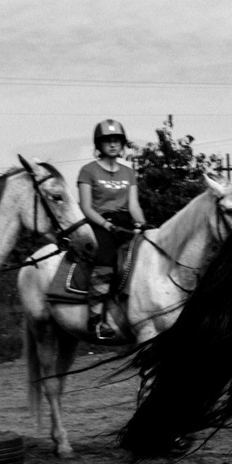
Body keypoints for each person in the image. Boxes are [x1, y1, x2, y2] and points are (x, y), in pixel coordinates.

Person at [77, 120, 146, 343]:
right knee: (105, 260)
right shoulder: (88, 171)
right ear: (99, 145)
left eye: (116, 140)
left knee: (145, 256)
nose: (113, 144)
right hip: (99, 223)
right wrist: (107, 226)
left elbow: (134, 205)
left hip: (125, 221)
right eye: (108, 141)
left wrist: (142, 225)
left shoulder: (128, 172)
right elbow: (86, 207)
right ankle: (96, 319)